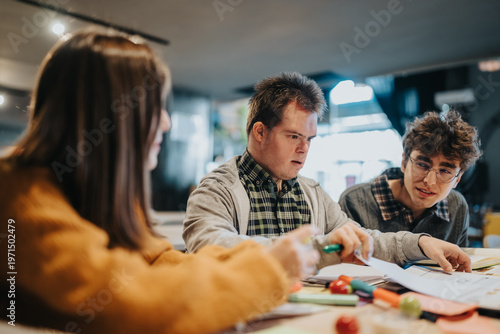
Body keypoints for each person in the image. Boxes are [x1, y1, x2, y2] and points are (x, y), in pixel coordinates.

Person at [0, 28, 320, 334]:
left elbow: (156, 261)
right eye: (153, 107)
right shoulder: (18, 194)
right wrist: (265, 273)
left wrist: (267, 258)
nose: (166, 122)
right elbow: (128, 303)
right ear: (110, 117)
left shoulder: (89, 190)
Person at [183, 72, 472, 273]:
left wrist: (421, 242)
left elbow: (363, 239)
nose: (304, 149)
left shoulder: (313, 193)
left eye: (309, 139)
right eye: (293, 136)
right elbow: (212, 248)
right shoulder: (216, 189)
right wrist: (321, 249)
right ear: (260, 131)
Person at [339, 110, 482, 247]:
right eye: (422, 165)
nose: (430, 181)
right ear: (404, 162)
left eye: (445, 171)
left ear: (457, 179)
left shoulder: (456, 206)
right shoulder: (355, 201)